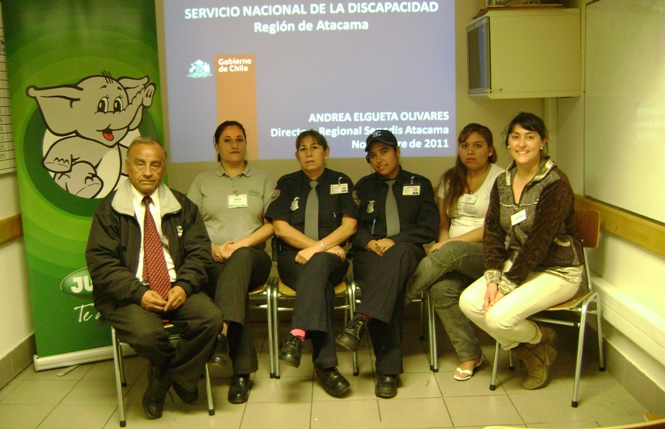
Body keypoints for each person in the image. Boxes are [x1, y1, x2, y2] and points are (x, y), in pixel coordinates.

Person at [86, 136, 223, 419]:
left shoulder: (182, 205)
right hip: (129, 294)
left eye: (155, 165)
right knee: (148, 334)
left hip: (175, 286)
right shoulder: (109, 210)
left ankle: (166, 378)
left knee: (210, 319)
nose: (148, 172)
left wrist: (184, 287)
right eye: (140, 164)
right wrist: (138, 294)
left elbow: (199, 253)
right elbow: (101, 263)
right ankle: (177, 375)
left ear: (163, 169)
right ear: (127, 167)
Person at [459, 112, 585, 390]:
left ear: (543, 142)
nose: (522, 144)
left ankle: (538, 340)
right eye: (516, 137)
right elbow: (492, 232)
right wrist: (493, 277)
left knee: (497, 317)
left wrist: (505, 285)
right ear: (507, 144)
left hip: (558, 270)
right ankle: (536, 346)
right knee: (469, 302)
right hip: (517, 265)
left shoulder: (556, 184)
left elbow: (538, 243)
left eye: (530, 137)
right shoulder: (503, 182)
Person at [336, 129, 439, 398]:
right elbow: (352, 229)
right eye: (372, 155)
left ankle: (362, 318)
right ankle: (388, 372)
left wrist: (396, 240)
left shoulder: (421, 183)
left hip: (407, 253)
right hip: (370, 254)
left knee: (398, 256)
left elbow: (429, 229)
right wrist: (369, 242)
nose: (378, 159)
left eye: (384, 152)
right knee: (385, 291)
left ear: (397, 152)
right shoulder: (363, 187)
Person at [404, 123, 503, 381]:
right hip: (452, 255)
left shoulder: (502, 179)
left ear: (491, 151)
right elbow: (442, 222)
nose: (470, 151)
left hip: (488, 254)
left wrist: (448, 246)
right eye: (464, 145)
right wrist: (445, 241)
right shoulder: (450, 179)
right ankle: (471, 354)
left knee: (451, 252)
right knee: (441, 289)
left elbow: (492, 228)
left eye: (477, 145)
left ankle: (395, 303)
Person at [265, 129, 358, 398]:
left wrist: (319, 248)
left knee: (318, 268)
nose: (309, 153)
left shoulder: (342, 181)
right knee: (321, 287)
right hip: (293, 259)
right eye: (302, 149)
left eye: (315, 147)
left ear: (326, 152)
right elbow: (280, 229)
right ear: (297, 156)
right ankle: (326, 367)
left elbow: (349, 226)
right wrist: (314, 249)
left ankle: (297, 334)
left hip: (333, 258)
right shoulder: (287, 182)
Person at [187, 121, 275, 404]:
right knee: (230, 287)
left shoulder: (262, 179)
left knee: (239, 262)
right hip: (213, 259)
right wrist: (211, 248)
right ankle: (241, 373)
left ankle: (220, 334)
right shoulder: (202, 181)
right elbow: (188, 227)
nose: (234, 144)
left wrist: (240, 245)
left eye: (239, 139)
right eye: (227, 140)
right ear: (216, 146)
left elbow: (274, 224)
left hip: (253, 258)